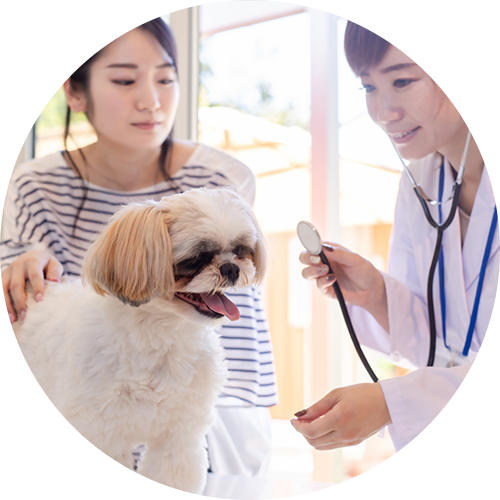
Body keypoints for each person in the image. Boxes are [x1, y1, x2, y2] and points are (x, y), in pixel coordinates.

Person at [0, 0, 276, 494]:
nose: (151, 100)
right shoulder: (36, 185)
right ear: (74, 90)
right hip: (86, 405)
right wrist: (19, 264)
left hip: (220, 415)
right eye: (125, 80)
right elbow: (19, 307)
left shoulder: (224, 177)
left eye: (166, 78)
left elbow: (237, 329)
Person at [292, 0, 500, 490]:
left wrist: (389, 403)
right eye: (369, 86)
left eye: (402, 81)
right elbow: (451, 344)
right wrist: (378, 296)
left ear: (478, 71)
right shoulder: (422, 181)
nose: (383, 112)